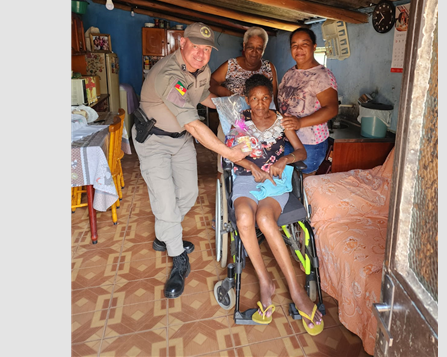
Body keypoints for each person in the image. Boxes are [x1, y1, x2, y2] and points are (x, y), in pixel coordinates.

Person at [133, 22, 247, 299]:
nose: (201, 53)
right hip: (154, 141)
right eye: (195, 46)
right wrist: (228, 152)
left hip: (179, 139)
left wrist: (229, 104)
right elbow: (193, 123)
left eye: (207, 49)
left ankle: (165, 233)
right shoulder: (168, 75)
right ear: (182, 43)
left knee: (188, 192)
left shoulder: (203, 69)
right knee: (166, 199)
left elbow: (200, 95)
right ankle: (177, 259)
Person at [229, 74, 324, 334]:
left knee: (264, 219)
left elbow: (301, 152)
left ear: (272, 98)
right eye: (254, 99)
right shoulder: (240, 123)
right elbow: (231, 155)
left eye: (265, 98)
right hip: (247, 181)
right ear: (247, 100)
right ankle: (265, 282)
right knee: (244, 219)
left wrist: (286, 159)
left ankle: (296, 292)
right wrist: (249, 165)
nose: (260, 104)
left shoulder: (283, 121)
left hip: (275, 183)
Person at [209, 26, 278, 174]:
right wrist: (227, 93)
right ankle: (225, 188)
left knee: (257, 159)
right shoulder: (231, 65)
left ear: (264, 49)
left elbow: (274, 97)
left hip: (260, 125)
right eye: (250, 47)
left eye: (259, 48)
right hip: (232, 122)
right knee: (227, 161)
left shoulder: (268, 68)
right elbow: (211, 82)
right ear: (244, 47)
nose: (254, 52)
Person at [277, 27, 339, 175]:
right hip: (287, 139)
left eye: (304, 44)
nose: (299, 49)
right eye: (294, 45)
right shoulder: (290, 73)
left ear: (314, 47)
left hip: (310, 143)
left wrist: (300, 123)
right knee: (288, 182)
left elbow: (332, 109)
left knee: (304, 183)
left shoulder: (322, 76)